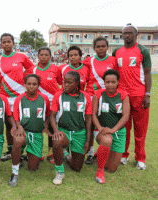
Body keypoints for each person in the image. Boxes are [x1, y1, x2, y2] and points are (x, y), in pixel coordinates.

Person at [112, 23, 152, 170]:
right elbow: (114, 75)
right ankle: (124, 155)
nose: (127, 35)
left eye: (130, 33)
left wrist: (148, 94)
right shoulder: (116, 51)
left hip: (139, 96)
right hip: (122, 96)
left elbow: (147, 73)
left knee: (140, 130)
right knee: (124, 129)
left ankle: (140, 158)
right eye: (125, 33)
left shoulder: (143, 51)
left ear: (136, 34)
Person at [49, 71, 92, 185]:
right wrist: (56, 131)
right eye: (64, 82)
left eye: (69, 82)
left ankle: (65, 154)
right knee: (57, 139)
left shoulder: (86, 97)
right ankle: (60, 172)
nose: (65, 85)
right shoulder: (59, 95)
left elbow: (88, 120)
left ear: (77, 83)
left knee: (76, 168)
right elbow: (52, 116)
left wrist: (88, 140)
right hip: (65, 132)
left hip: (80, 133)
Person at [8, 74, 50, 186]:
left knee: (33, 168)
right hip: (23, 133)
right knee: (17, 141)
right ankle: (15, 172)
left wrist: (45, 126)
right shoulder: (19, 99)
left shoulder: (44, 98)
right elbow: (16, 117)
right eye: (29, 84)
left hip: (36, 134)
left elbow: (48, 115)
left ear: (38, 85)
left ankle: (27, 155)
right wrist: (19, 126)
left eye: (34, 84)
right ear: (25, 85)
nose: (31, 86)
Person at [0, 33, 34, 162]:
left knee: (22, 123)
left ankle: (23, 150)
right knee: (8, 124)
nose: (6, 44)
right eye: (4, 42)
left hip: (19, 95)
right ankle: (10, 149)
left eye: (9, 41)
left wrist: (25, 77)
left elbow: (31, 68)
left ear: (13, 43)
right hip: (5, 96)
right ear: (1, 44)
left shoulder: (21, 56)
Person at [82, 37, 117, 165]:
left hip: (108, 98)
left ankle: (108, 151)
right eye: (98, 46)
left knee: (108, 124)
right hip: (92, 97)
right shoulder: (88, 61)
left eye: (103, 46)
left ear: (107, 47)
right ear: (94, 48)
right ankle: (90, 153)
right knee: (90, 125)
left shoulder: (113, 60)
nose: (101, 48)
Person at [92, 69, 130, 184]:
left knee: (111, 169)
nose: (110, 85)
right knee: (107, 140)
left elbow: (126, 116)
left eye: (113, 82)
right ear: (104, 82)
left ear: (118, 82)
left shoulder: (124, 95)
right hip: (102, 131)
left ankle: (100, 153)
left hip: (118, 132)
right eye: (107, 82)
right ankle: (99, 171)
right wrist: (100, 129)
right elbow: (93, 114)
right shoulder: (98, 94)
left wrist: (113, 130)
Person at [31, 47, 61, 164]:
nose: (44, 57)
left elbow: (59, 82)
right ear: (38, 56)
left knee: (52, 128)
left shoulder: (55, 68)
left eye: (46, 55)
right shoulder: (32, 69)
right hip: (39, 103)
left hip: (54, 103)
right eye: (41, 55)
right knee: (38, 128)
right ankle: (38, 152)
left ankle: (51, 152)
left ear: (50, 56)